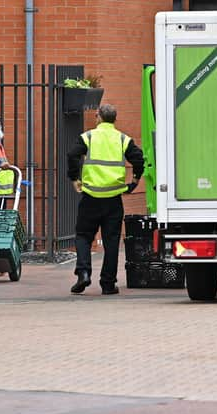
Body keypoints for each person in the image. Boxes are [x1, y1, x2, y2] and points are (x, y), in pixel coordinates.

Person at [67, 104, 144, 295]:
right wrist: (134, 182)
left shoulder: (88, 137)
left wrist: (75, 178)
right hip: (113, 199)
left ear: (98, 117)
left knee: (83, 236)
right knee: (111, 241)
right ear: (114, 119)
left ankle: (83, 273)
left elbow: (72, 155)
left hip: (91, 196)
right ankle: (108, 284)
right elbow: (138, 159)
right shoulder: (123, 138)